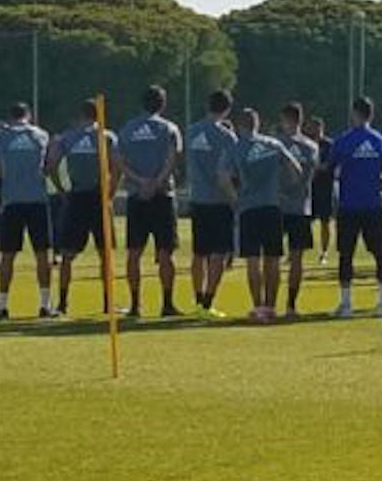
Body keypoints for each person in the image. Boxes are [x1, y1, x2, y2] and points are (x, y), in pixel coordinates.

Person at [225, 107, 302, 323]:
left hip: (249, 207)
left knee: (252, 259)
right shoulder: (273, 144)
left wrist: (235, 200)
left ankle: (257, 305)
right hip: (272, 206)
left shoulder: (236, 148)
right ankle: (271, 305)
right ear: (257, 124)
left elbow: (223, 177)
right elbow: (295, 169)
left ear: (240, 126)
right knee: (273, 258)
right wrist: (285, 189)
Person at [116, 85, 184, 319]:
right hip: (163, 195)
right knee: (166, 253)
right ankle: (167, 304)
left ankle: (135, 305)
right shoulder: (170, 128)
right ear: (162, 104)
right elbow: (173, 156)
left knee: (134, 253)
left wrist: (140, 180)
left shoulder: (127, 129)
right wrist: (157, 181)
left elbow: (119, 160)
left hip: (137, 196)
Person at [324, 97, 382, 318]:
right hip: (373, 204)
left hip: (349, 205)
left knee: (346, 254)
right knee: (380, 254)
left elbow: (330, 167)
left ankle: (346, 304)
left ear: (355, 113)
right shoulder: (381, 141)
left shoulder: (343, 141)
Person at [0, 103, 56, 320]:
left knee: (7, 255)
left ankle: (2, 305)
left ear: (11, 117)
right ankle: (45, 305)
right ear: (29, 116)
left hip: (12, 200)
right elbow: (49, 166)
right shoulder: (41, 136)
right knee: (42, 254)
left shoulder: (0, 136)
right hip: (37, 199)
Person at [52, 98, 120, 316]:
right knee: (105, 254)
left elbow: (51, 165)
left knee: (67, 255)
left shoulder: (68, 137)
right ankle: (108, 304)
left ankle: (62, 304)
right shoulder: (107, 137)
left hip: (77, 197)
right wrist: (111, 192)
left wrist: (61, 189)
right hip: (99, 197)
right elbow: (117, 167)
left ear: (81, 114)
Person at [183, 90, 238, 320]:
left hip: (198, 198)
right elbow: (231, 170)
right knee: (218, 254)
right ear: (227, 109)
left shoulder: (191, 131)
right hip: (220, 200)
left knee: (199, 253)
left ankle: (197, 301)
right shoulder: (227, 137)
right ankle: (207, 301)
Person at [275, 104, 319, 318]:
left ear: (285, 119)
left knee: (271, 257)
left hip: (278, 206)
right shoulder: (311, 147)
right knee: (296, 259)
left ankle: (268, 304)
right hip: (300, 207)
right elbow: (308, 177)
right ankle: (291, 306)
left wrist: (280, 192)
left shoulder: (275, 145)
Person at [303, 114, 335, 265]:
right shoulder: (306, 144)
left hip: (324, 188)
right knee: (303, 221)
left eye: (313, 127)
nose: (310, 130)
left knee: (325, 222)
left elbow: (329, 165)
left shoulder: (328, 145)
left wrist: (316, 168)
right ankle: (298, 251)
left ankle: (324, 252)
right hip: (309, 188)